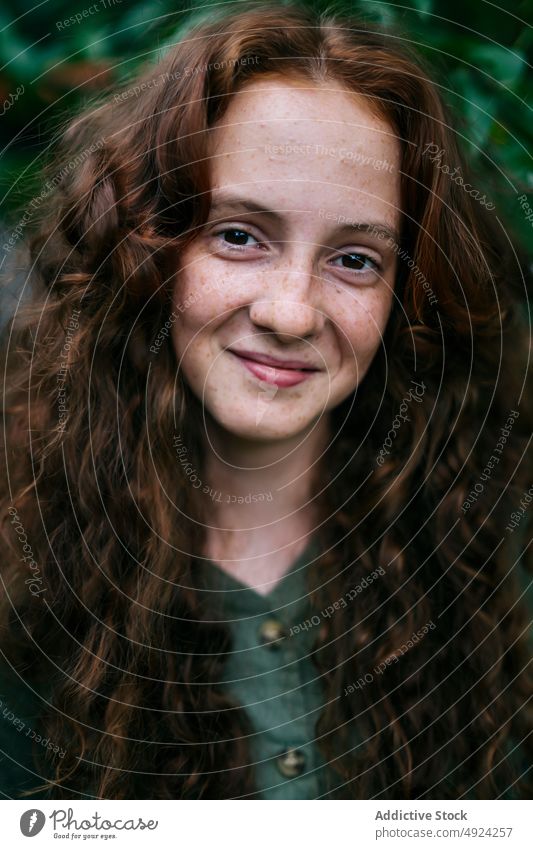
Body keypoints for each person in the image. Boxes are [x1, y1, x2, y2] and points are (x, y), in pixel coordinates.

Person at [0, 0, 531, 801]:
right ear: (144, 243)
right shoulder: (20, 565)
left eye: (355, 259)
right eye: (239, 235)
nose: (290, 312)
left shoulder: (487, 559)